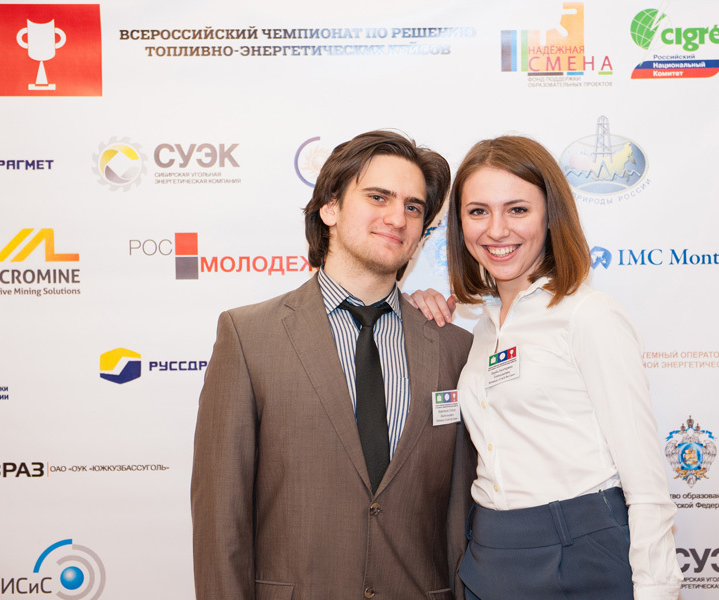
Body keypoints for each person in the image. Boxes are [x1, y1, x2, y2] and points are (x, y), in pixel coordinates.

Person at [191, 130, 475, 600]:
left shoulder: (454, 348)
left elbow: (461, 517)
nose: (397, 218)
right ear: (329, 207)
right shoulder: (248, 337)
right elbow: (221, 519)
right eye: (378, 197)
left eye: (413, 207)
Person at [409, 136, 682, 600]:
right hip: (489, 553)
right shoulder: (482, 329)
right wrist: (411, 310)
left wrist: (657, 590)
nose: (496, 230)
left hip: (581, 551)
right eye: (478, 212)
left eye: (517, 210)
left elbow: (644, 478)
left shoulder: (588, 315)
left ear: (550, 215)